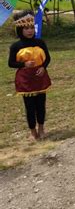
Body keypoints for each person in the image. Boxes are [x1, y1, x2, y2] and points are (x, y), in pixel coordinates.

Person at [8, 10, 51, 140]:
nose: (30, 31)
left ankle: (41, 128)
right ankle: (32, 131)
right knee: (30, 106)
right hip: (25, 79)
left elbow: (48, 58)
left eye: (31, 27)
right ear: (20, 29)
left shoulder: (40, 42)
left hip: (40, 77)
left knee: (40, 105)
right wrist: (24, 65)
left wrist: (43, 67)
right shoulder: (16, 46)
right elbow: (11, 63)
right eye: (26, 28)